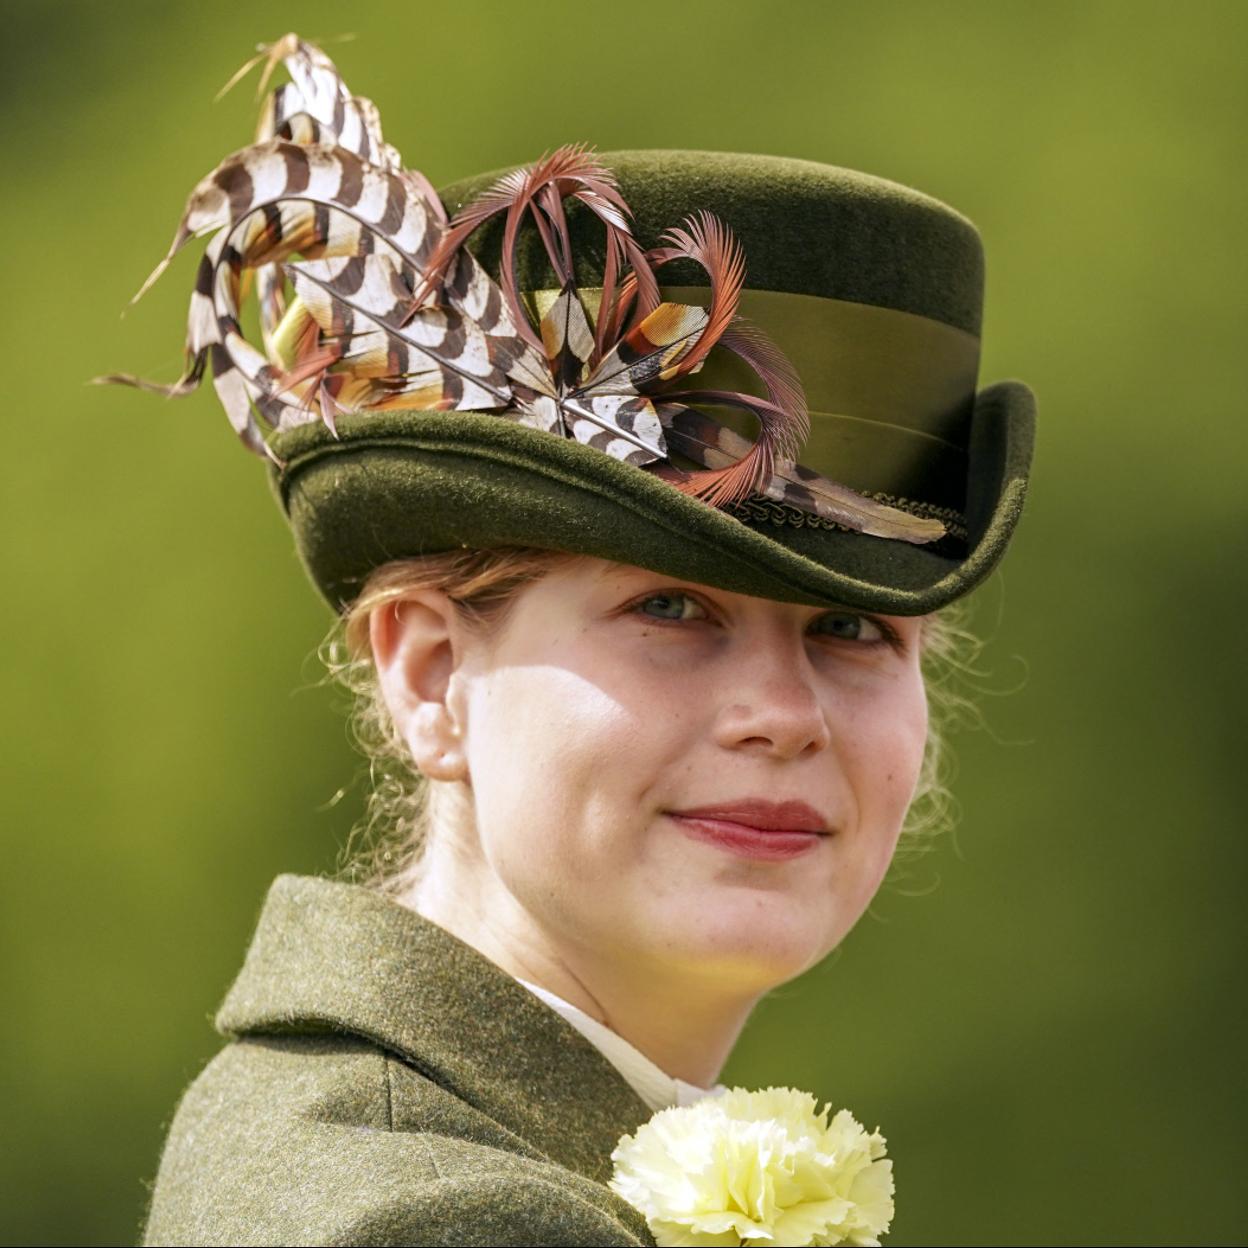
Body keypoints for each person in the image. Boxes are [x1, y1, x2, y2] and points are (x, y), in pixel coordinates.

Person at [116, 34, 1035, 1248]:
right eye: (669, 607)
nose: (784, 710)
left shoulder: (434, 1146)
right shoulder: (429, 1216)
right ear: (430, 674)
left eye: (853, 628)